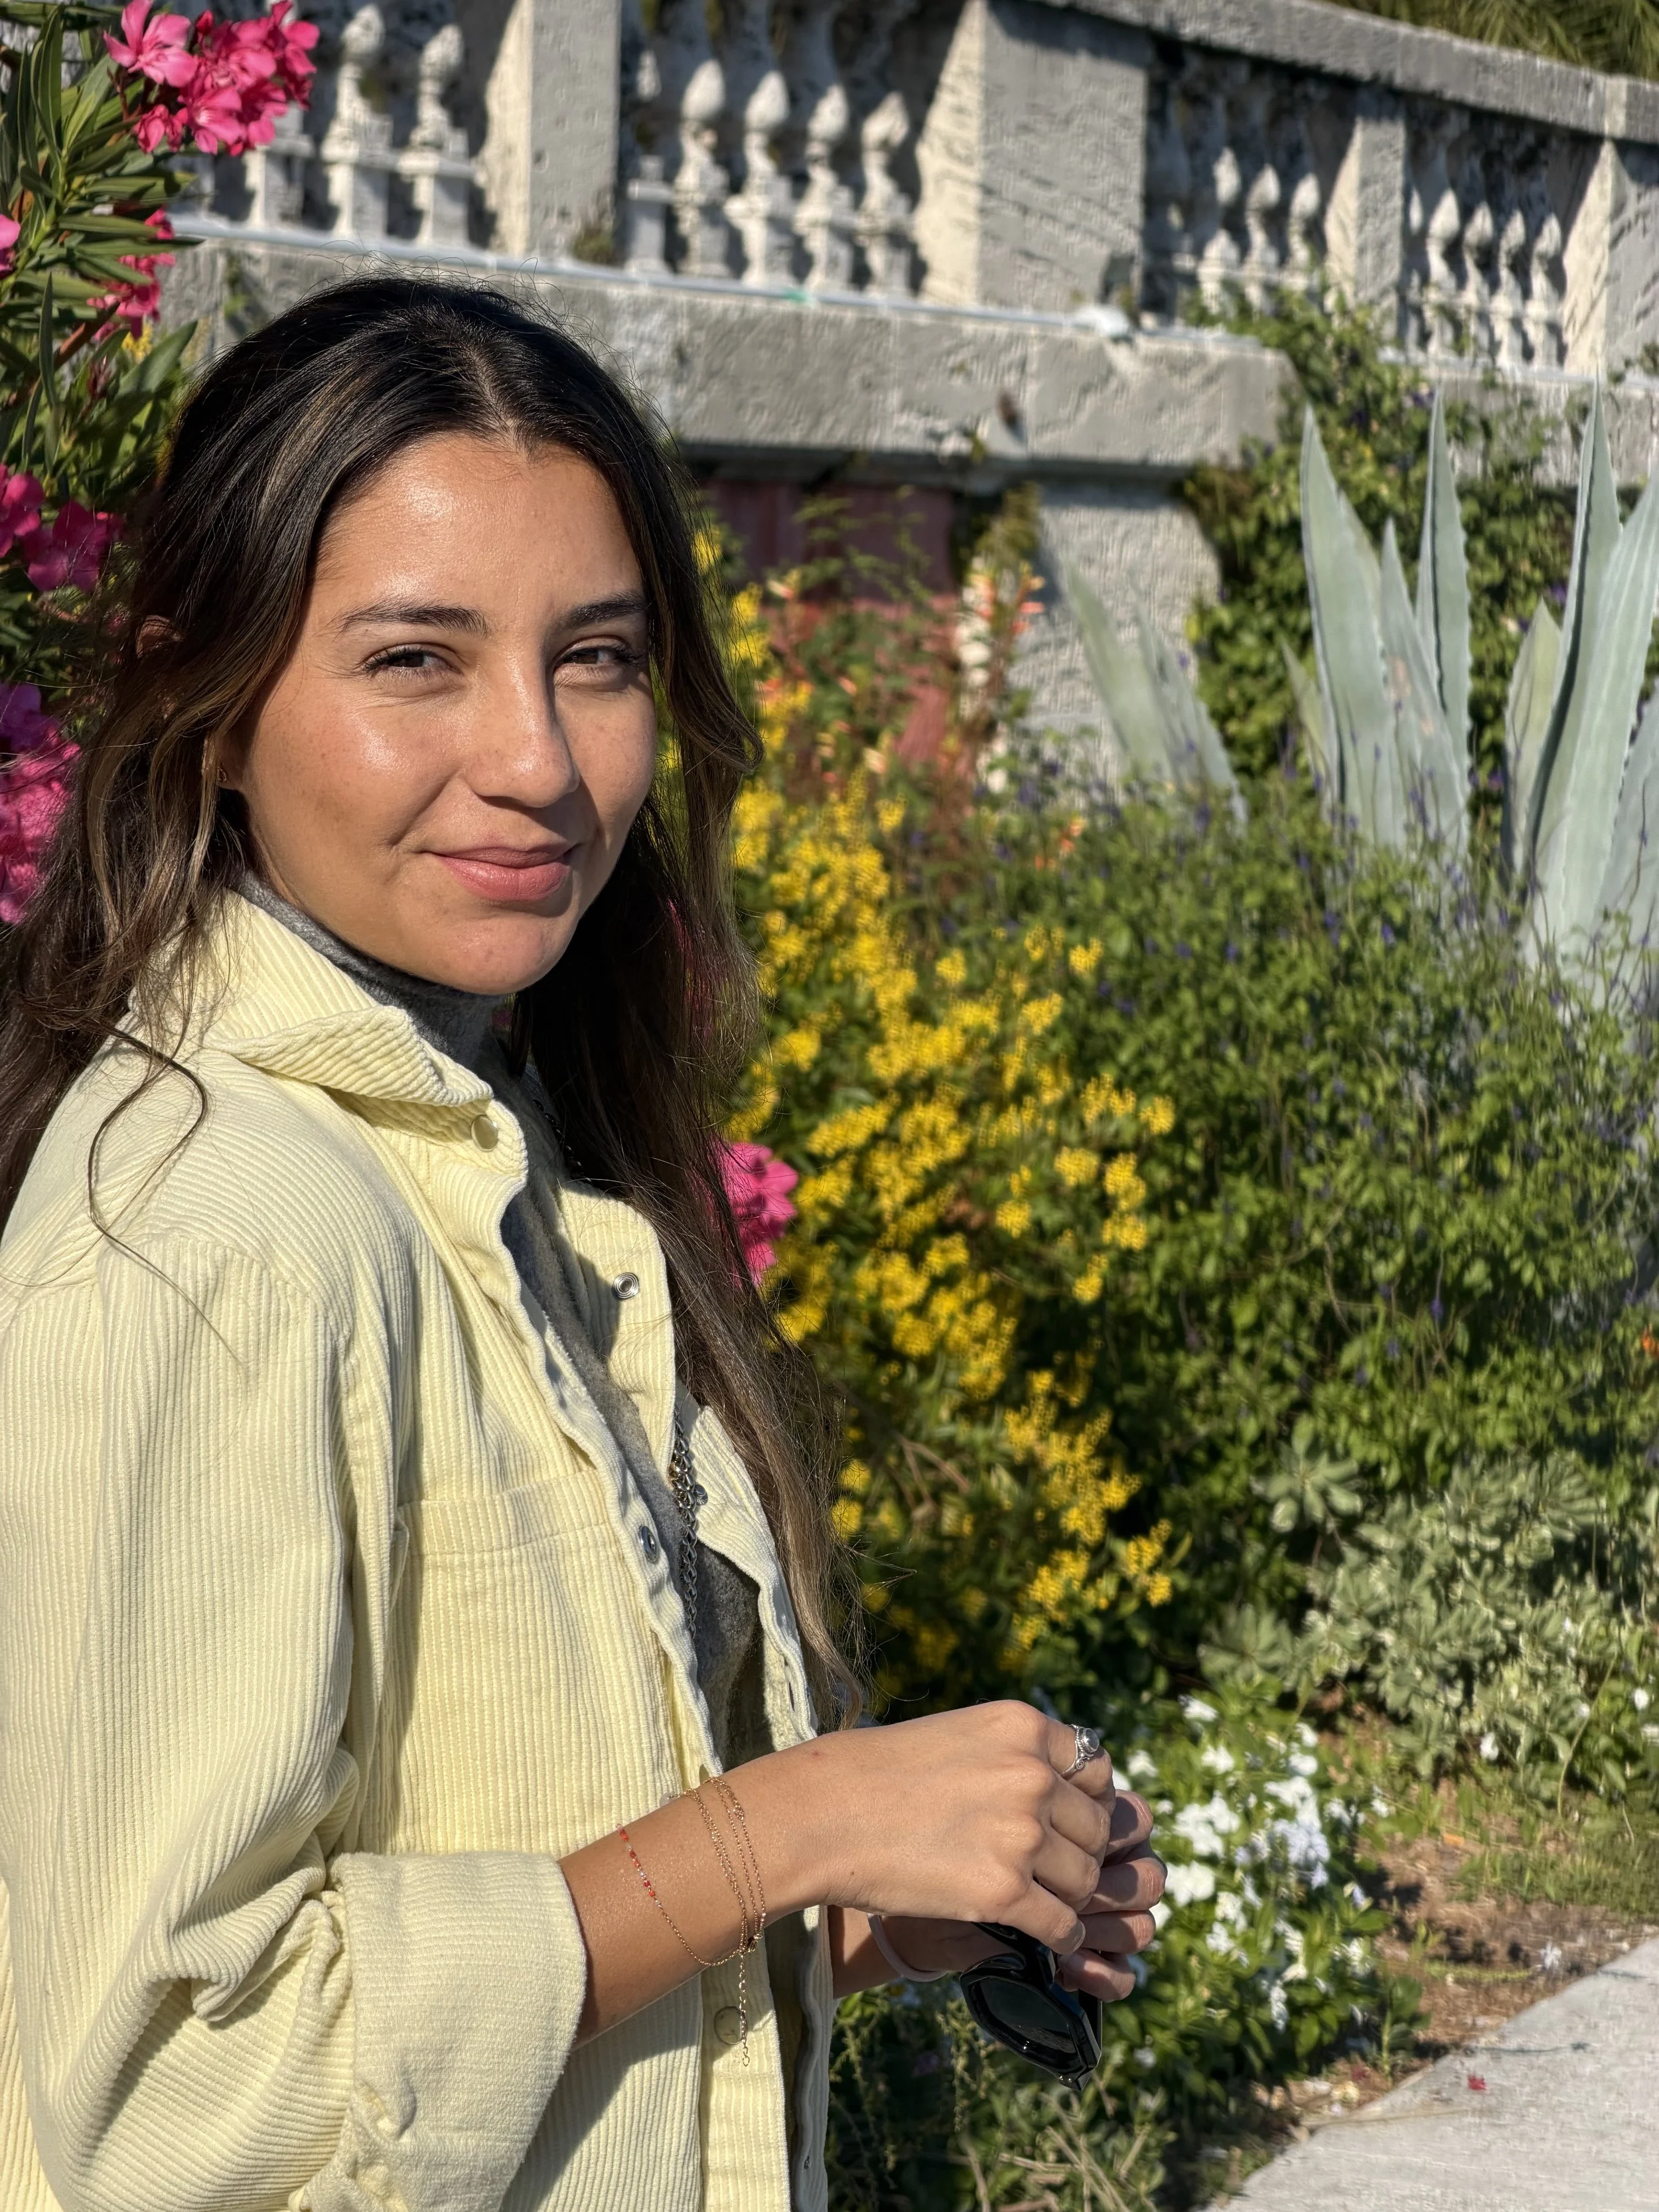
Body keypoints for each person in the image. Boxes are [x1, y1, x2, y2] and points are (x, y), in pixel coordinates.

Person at [0, 278, 1163, 2212]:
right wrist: (779, 1827)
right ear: (198, 699)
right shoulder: (205, 1233)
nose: (537, 760)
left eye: (597, 656)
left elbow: (517, 1911)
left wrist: (886, 1896)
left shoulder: (481, 1149)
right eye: (415, 661)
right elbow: (174, 2106)